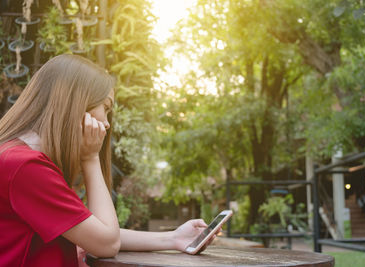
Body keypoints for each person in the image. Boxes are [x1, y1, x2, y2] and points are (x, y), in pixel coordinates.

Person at [0, 54, 216, 267]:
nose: (106, 122)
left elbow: (92, 230)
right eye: (105, 107)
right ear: (76, 102)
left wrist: (173, 239)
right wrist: (91, 157)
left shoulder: (17, 158)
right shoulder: (25, 167)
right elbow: (106, 243)